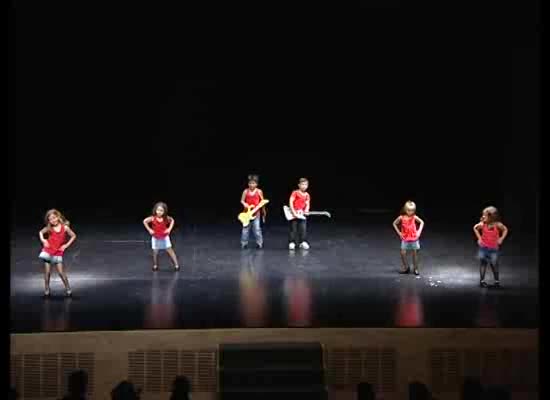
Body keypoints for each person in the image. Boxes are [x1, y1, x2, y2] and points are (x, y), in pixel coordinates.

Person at [38, 209, 76, 297]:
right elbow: (40, 232)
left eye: (54, 218)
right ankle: (47, 289)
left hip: (58, 252)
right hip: (48, 251)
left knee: (61, 272)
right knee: (47, 272)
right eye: (50, 219)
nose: (52, 220)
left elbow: (73, 236)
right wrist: (43, 240)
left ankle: (68, 288)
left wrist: (66, 245)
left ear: (58, 217)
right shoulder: (49, 228)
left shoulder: (65, 227)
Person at [473, 206, 508, 288]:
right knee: (483, 264)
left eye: (485, 215)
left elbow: (505, 229)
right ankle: (482, 281)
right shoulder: (482, 224)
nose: (483, 217)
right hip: (483, 248)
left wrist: (501, 239)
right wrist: (479, 238)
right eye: (483, 215)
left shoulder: (498, 225)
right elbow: (475, 228)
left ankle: (496, 282)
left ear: (492, 217)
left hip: (494, 249)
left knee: (494, 264)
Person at [143, 202, 180, 271]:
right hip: (155, 237)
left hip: (164, 237)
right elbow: (145, 221)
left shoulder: (166, 218)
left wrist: (169, 229)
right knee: (155, 252)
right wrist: (149, 230)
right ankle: (155, 265)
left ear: (164, 211)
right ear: (155, 210)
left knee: (170, 250)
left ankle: (176, 265)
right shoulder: (153, 218)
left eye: (161, 210)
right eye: (158, 210)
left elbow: (172, 220)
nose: (159, 212)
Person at [392, 201, 425, 275]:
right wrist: (399, 233)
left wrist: (418, 232)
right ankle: (406, 267)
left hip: (414, 238)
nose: (411, 212)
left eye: (413, 210)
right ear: (405, 209)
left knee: (415, 253)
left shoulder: (414, 217)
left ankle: (416, 269)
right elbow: (394, 223)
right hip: (405, 238)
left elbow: (422, 222)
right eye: (409, 210)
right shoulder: (401, 217)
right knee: (403, 253)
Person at [240, 174, 266, 249]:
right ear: (248, 184)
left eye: (253, 183)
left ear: (257, 184)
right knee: (245, 229)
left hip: (256, 213)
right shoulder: (245, 191)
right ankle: (244, 243)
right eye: (250, 183)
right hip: (246, 213)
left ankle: (259, 243)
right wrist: (244, 204)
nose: (252, 185)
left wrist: (264, 213)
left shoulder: (259, 191)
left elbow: (262, 202)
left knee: (257, 229)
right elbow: (242, 200)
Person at [288, 178, 311, 250]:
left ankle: (302, 242)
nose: (304, 186)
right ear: (299, 185)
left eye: (306, 184)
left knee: (303, 228)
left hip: (302, 215)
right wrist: (293, 212)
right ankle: (292, 242)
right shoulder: (295, 192)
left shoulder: (307, 195)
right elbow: (291, 202)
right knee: (293, 229)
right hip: (294, 214)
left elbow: (307, 204)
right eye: (303, 184)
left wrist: (307, 210)